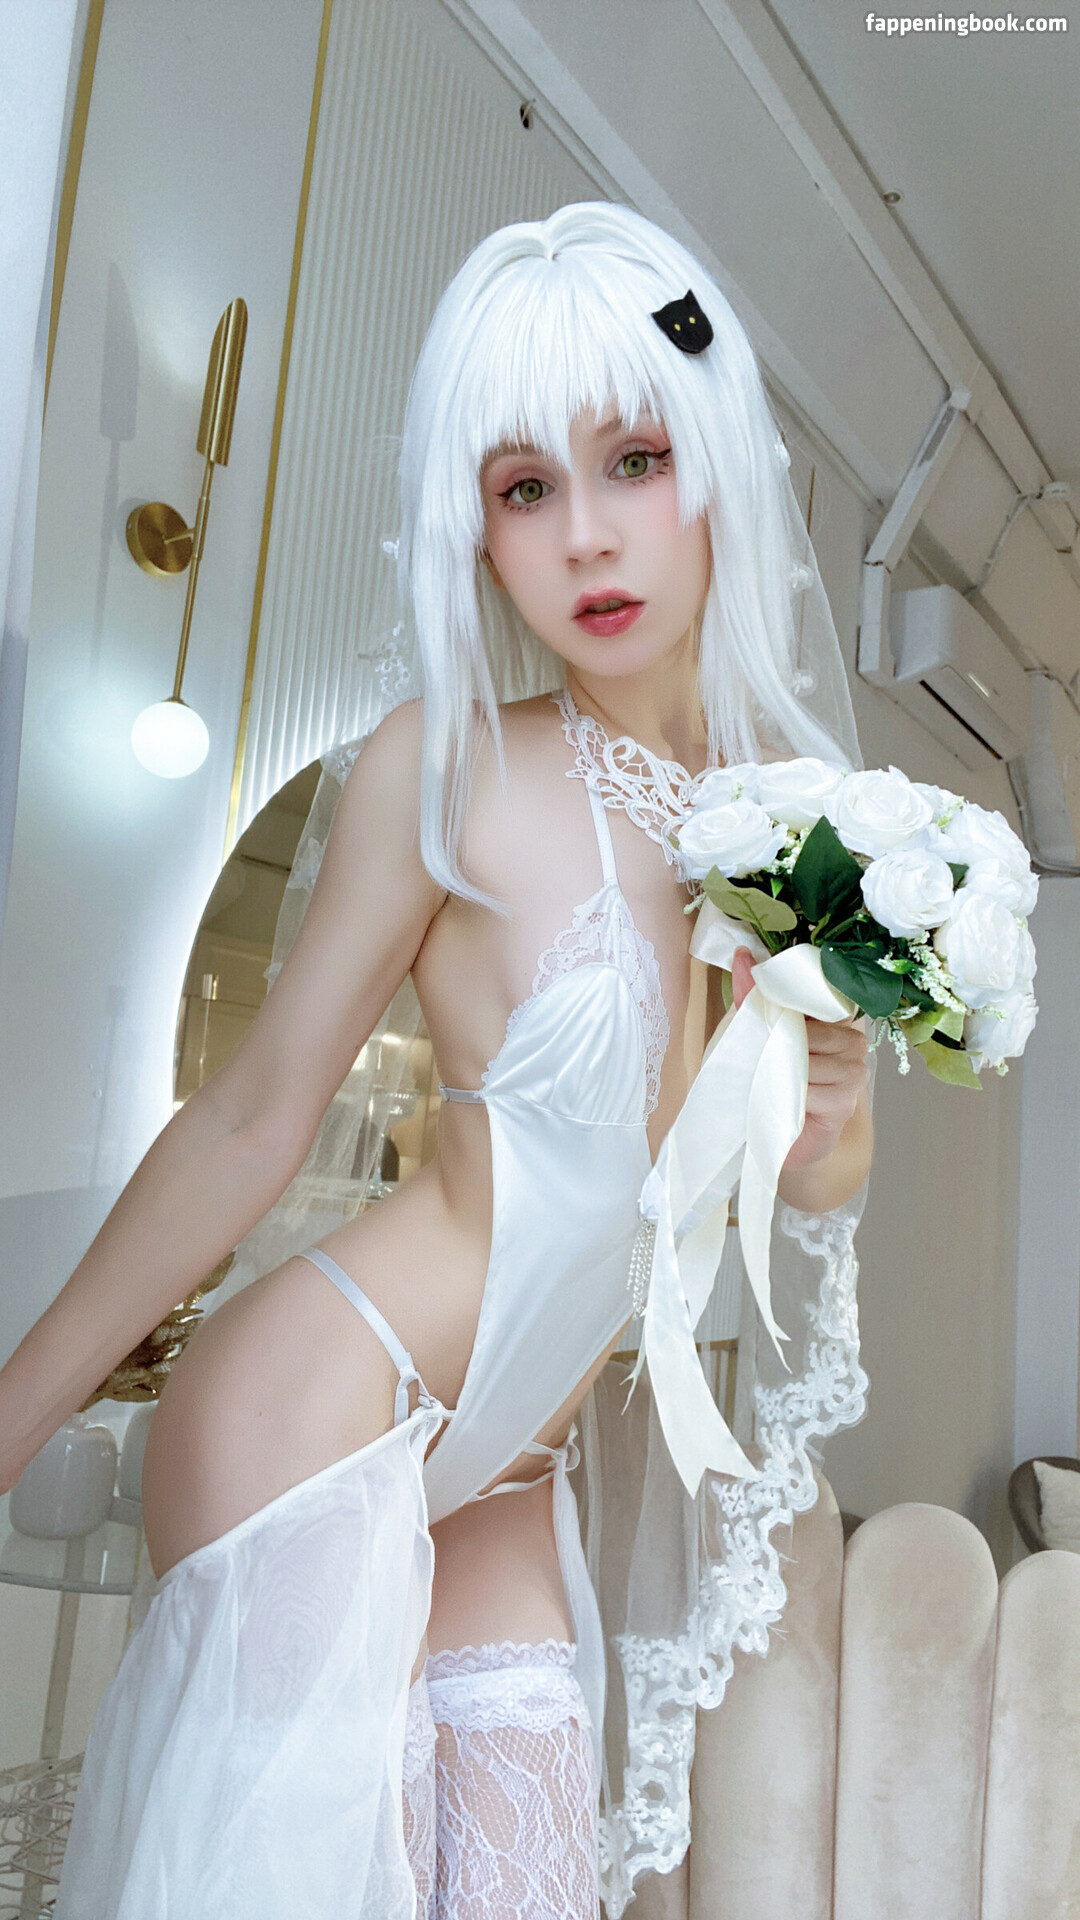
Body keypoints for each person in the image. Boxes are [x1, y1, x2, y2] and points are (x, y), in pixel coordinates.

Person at [2, 202, 872, 1918]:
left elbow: (813, 1187)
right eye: (525, 488)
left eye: (634, 462)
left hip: (509, 1478)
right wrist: (14, 1413)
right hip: (317, 1416)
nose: (586, 535)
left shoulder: (800, 836)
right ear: (477, 532)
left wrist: (833, 1096)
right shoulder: (450, 765)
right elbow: (252, 1119)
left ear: (715, 468)